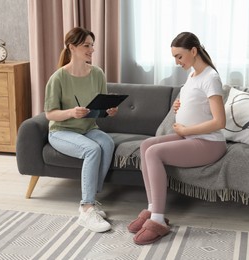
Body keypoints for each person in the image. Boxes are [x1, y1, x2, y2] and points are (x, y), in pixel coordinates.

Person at [128, 32, 227, 245]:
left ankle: (158, 221)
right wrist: (178, 107)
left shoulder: (211, 78)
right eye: (174, 57)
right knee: (146, 145)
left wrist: (187, 130)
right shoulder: (192, 76)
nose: (176, 62)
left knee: (154, 152)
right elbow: (195, 105)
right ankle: (153, 207)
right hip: (190, 137)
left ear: (193, 51)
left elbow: (220, 122)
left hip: (209, 142)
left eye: (179, 56)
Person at [44, 27, 118, 233]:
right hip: (61, 131)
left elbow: (100, 108)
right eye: (87, 45)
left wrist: (109, 110)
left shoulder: (97, 73)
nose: (91, 49)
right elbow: (50, 114)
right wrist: (71, 112)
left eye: (92, 45)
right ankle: (86, 208)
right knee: (92, 149)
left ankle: (90, 200)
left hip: (87, 128)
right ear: (72, 47)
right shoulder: (58, 78)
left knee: (107, 143)